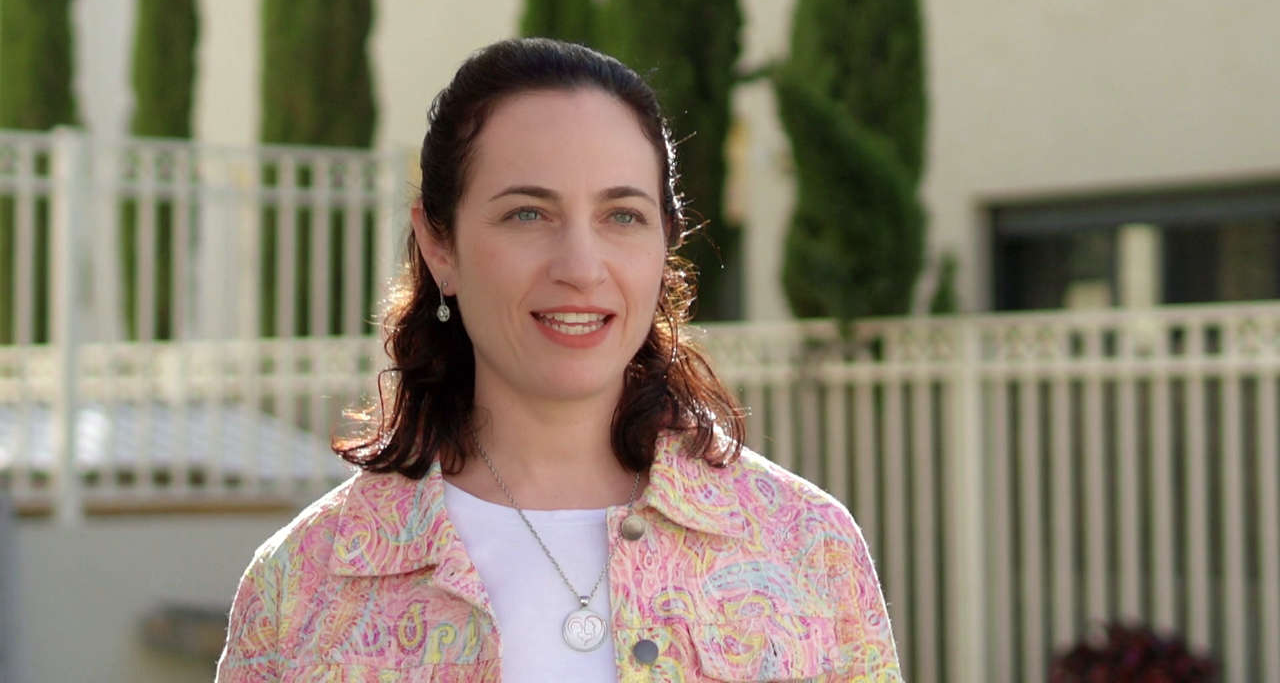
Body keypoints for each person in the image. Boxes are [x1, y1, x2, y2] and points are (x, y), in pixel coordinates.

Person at [216, 38, 901, 682]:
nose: (580, 267)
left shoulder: (806, 546)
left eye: (622, 216)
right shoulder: (300, 587)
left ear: (666, 243)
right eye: (528, 214)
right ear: (439, 245)